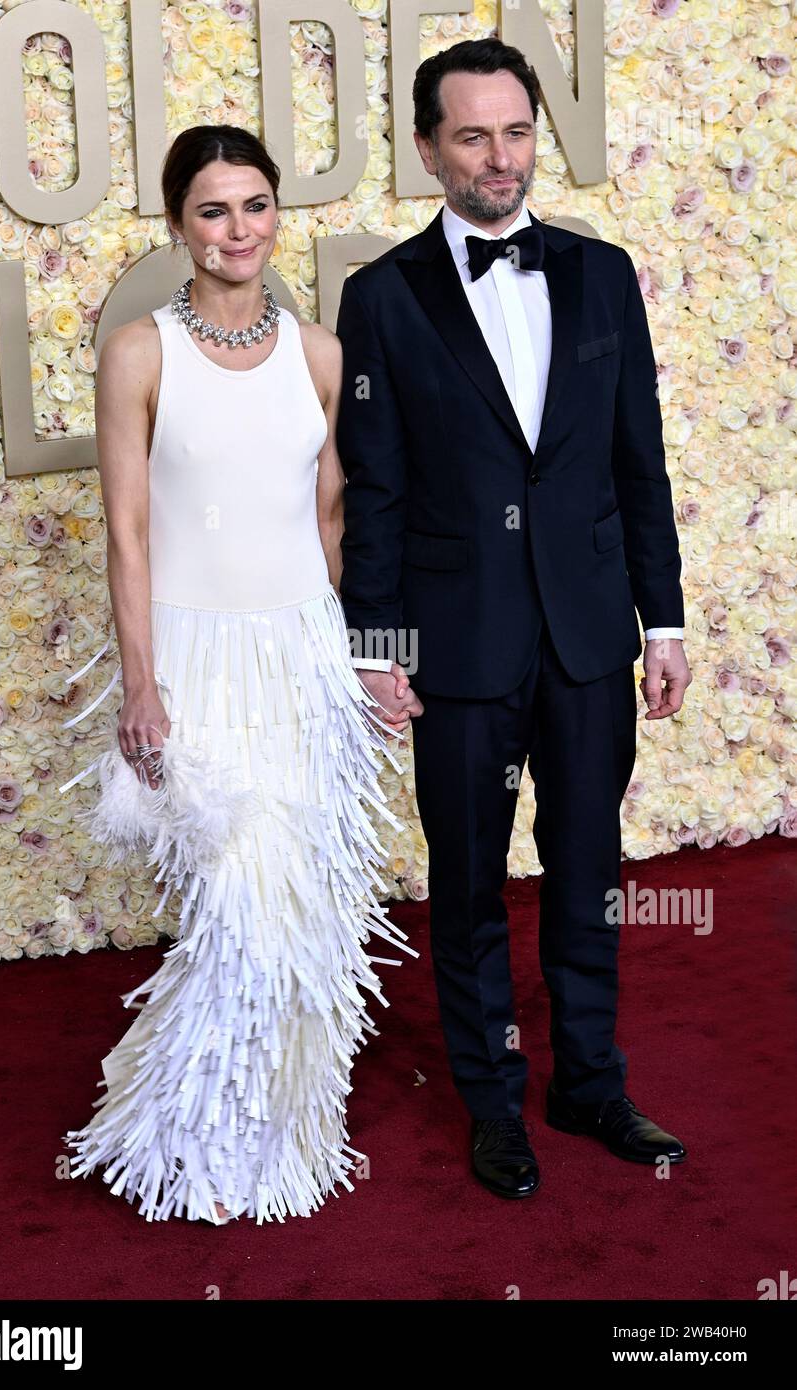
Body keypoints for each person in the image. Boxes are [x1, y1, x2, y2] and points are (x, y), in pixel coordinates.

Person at [335, 38, 693, 1199]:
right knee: (470, 880)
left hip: (589, 634)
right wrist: (379, 654)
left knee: (588, 864)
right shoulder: (381, 297)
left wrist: (664, 622)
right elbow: (374, 492)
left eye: (517, 130)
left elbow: (638, 463)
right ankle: (492, 1097)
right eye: (473, 135)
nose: (501, 157)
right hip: (458, 645)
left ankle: (588, 1080)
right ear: (429, 148)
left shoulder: (600, 273)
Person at [59, 125, 419, 1226]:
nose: (237, 230)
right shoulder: (138, 351)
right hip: (197, 656)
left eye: (254, 205)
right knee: (241, 911)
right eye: (213, 211)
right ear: (178, 224)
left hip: (304, 652)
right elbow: (126, 532)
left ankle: (278, 1132)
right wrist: (141, 684)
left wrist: (374, 663)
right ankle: (181, 1135)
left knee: (307, 908)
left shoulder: (319, 353)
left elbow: (339, 523)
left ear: (276, 214)